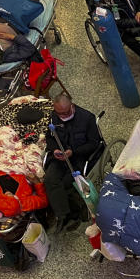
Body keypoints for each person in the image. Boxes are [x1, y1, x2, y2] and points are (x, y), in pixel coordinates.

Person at [44, 93, 101, 231]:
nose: (63, 116)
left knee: (65, 184)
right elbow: (49, 138)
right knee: (50, 180)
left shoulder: (87, 118)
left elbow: (94, 143)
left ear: (72, 106)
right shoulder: (54, 117)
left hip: (80, 157)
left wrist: (73, 152)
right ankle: (63, 215)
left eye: (66, 112)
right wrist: (55, 149)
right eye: (60, 114)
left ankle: (75, 211)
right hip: (60, 157)